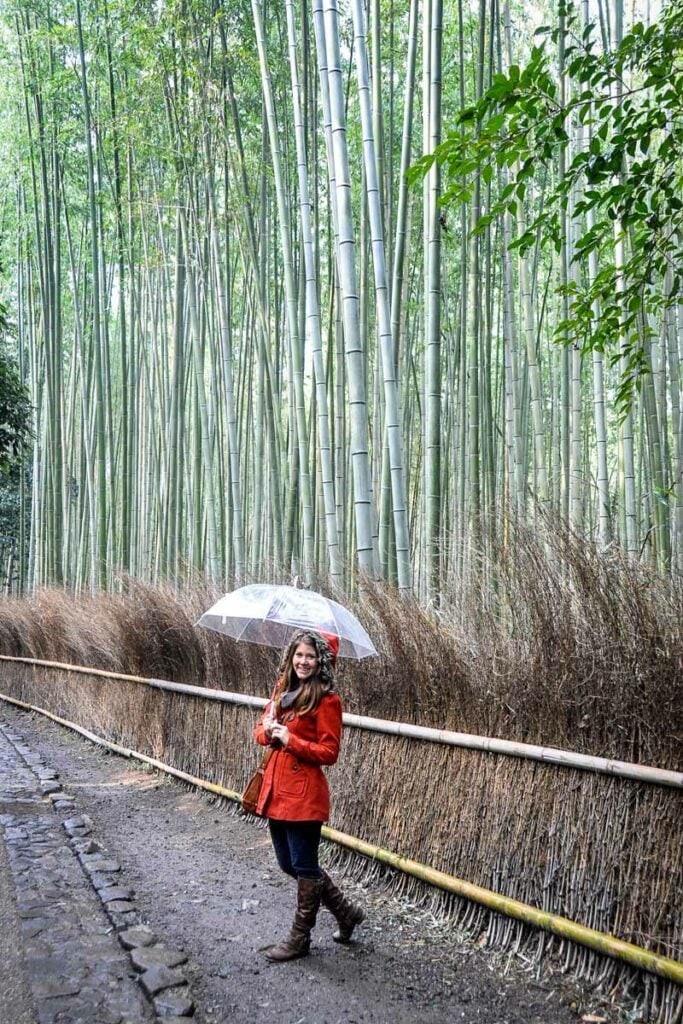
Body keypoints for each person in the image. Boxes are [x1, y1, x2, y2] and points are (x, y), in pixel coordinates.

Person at [253, 628, 365, 962]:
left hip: (304, 794)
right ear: (291, 656)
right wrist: (269, 732)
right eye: (299, 655)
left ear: (321, 662)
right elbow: (259, 731)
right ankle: (345, 912)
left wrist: (291, 740)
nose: (303, 661)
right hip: (275, 788)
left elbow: (330, 752)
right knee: (289, 863)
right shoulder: (281, 690)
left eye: (310, 656)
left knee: (304, 865)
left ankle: (300, 939)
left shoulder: (328, 699)